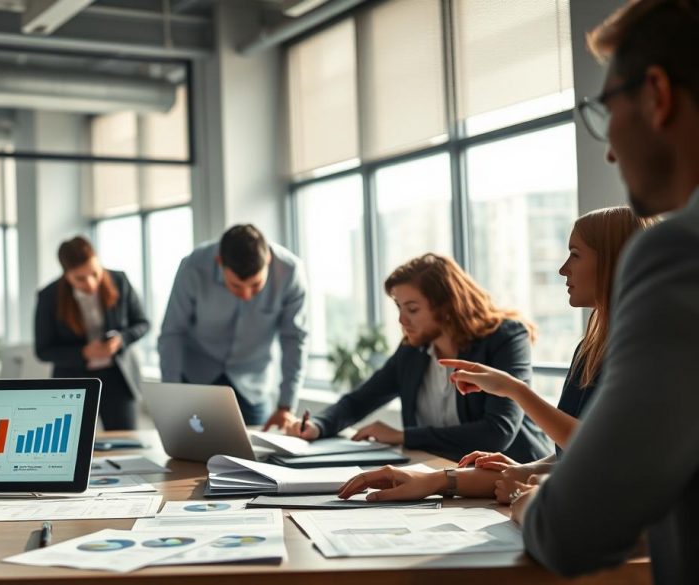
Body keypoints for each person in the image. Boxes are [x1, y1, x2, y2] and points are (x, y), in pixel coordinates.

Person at [513, 2, 699, 583]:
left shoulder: (679, 254)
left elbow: (575, 530)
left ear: (656, 95)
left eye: (606, 109)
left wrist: (527, 506)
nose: (612, 151)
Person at [335, 207, 653, 505]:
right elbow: (572, 455)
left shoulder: (646, 349)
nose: (562, 269)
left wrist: (513, 389)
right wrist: (527, 469)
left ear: (613, 261)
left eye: (574, 255)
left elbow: (599, 449)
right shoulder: (590, 348)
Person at [285, 253, 549, 463]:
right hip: (443, 474)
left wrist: (402, 436)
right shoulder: (413, 350)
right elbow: (359, 401)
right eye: (399, 307)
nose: (401, 320)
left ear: (447, 306)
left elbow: (496, 433)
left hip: (516, 481)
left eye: (412, 309)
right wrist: (318, 426)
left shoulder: (506, 338)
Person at [158, 224, 309, 428]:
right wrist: (172, 395)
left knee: (256, 456)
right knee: (190, 454)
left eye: (256, 285)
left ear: (269, 260)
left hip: (253, 386)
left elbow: (294, 339)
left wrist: (286, 406)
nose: (246, 295)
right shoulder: (193, 266)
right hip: (197, 379)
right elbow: (173, 333)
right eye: (236, 286)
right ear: (219, 262)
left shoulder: (291, 272)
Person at [35, 236, 149, 430]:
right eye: (80, 278)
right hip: (72, 382)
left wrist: (120, 340)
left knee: (125, 444)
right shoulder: (49, 296)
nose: (90, 283)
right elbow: (43, 350)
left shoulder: (119, 280)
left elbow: (142, 323)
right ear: (66, 275)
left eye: (95, 273)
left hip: (117, 378)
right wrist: (84, 353)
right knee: (70, 447)